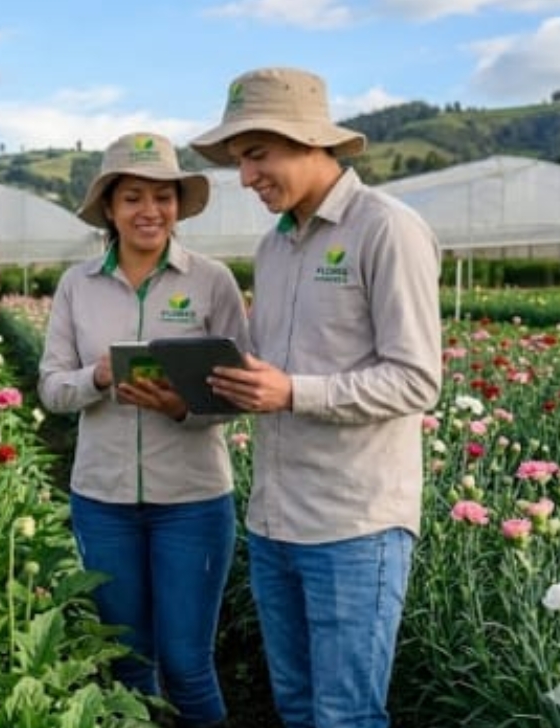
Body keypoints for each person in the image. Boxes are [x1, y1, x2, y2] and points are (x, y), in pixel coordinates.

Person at [191, 67, 442, 728]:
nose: (246, 177)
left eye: (255, 155)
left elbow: (417, 378)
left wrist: (293, 392)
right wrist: (213, 382)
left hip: (353, 524)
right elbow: (273, 375)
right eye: (239, 161)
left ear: (308, 140)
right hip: (274, 520)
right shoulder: (273, 247)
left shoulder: (386, 228)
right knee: (297, 707)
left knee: (344, 715)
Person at [38, 131, 250, 728]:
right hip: (102, 501)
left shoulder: (211, 281)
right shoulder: (77, 285)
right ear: (109, 207)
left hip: (192, 501)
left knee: (187, 665)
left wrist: (183, 407)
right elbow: (51, 388)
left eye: (163, 196)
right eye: (132, 197)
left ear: (179, 205)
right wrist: (97, 377)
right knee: (129, 664)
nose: (149, 210)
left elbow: (241, 392)